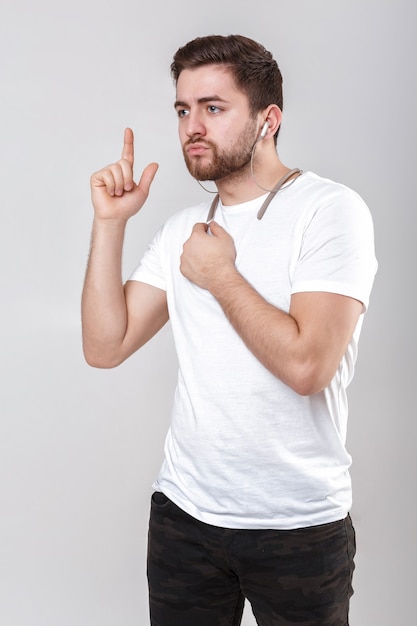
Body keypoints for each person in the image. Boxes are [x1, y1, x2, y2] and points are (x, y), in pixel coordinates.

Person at [82, 34, 377, 626]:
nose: (193, 126)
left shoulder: (329, 211)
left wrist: (221, 276)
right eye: (184, 110)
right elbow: (104, 346)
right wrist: (109, 224)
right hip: (185, 520)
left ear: (268, 120)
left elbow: (306, 367)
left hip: (297, 528)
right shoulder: (182, 228)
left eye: (214, 108)